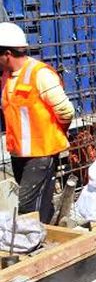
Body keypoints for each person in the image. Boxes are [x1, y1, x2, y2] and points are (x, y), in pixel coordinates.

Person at [0, 22, 75, 222]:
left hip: (41, 154)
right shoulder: (7, 77)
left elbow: (66, 111)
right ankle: (43, 236)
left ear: (7, 53)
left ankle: (37, 246)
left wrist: (55, 134)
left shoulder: (40, 75)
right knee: (37, 206)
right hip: (19, 154)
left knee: (28, 208)